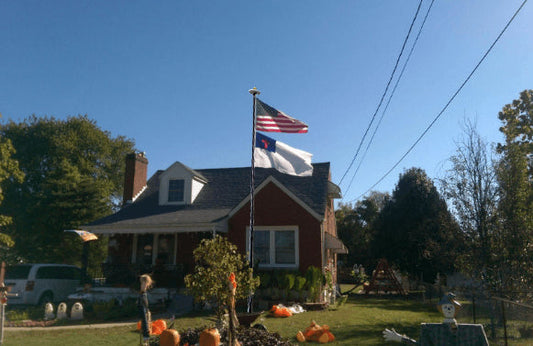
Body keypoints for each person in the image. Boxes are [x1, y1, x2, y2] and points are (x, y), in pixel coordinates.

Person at [138, 274, 153, 346]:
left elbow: (142, 290)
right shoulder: (144, 284)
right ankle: (146, 337)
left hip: (142, 299)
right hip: (142, 299)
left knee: (144, 318)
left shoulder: (143, 283)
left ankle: (146, 337)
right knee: (144, 318)